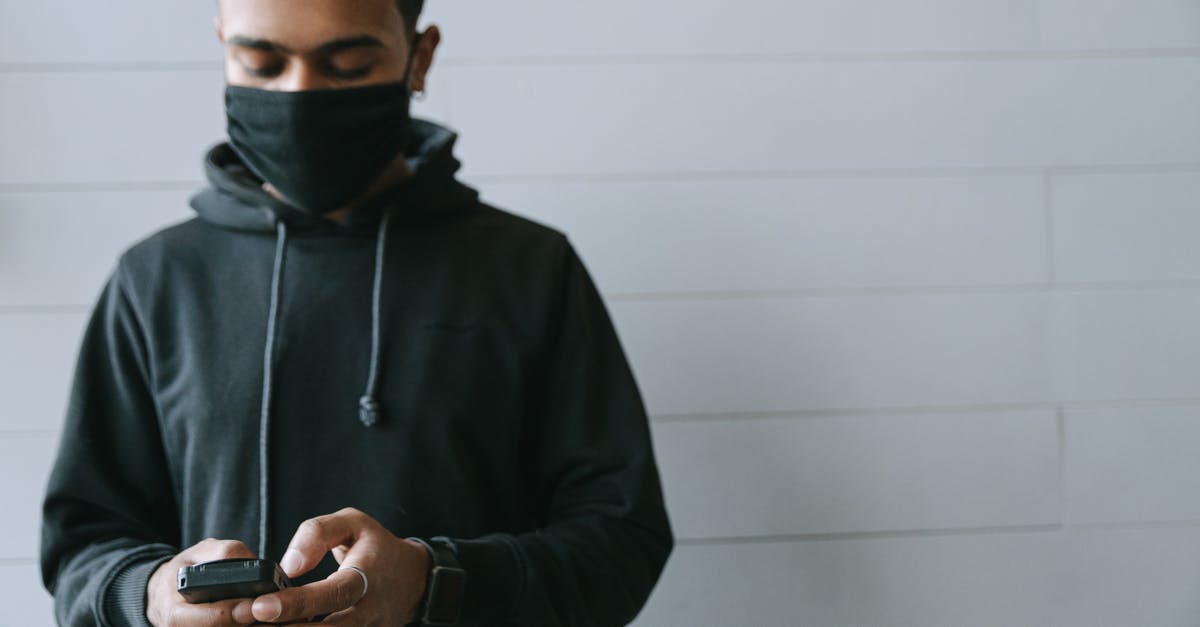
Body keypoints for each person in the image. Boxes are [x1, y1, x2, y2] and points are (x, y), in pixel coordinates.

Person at [38, 1, 673, 625]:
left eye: (345, 66)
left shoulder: (531, 268)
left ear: (419, 58)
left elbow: (622, 538)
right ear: (224, 46)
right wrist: (151, 596)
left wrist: (435, 584)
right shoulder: (155, 278)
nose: (300, 92)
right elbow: (83, 544)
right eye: (261, 63)